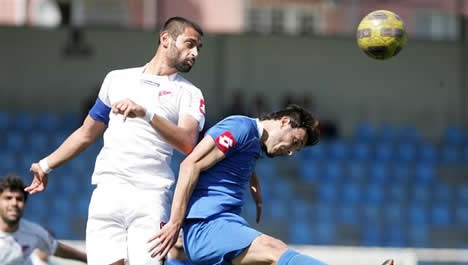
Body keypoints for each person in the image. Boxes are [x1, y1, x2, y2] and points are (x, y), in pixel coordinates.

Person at [26, 16, 206, 265]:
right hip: (108, 191)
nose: (195, 52)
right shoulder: (117, 79)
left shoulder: (190, 93)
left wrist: (146, 113)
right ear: (165, 39)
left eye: (198, 47)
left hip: (150, 196)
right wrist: (46, 164)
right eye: (190, 44)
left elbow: (188, 142)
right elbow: (87, 132)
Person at [149, 104, 393, 265]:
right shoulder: (240, 127)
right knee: (274, 249)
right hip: (206, 227)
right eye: (295, 142)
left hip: (224, 223)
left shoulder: (252, 142)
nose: (291, 152)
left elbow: (232, 159)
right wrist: (175, 223)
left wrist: (254, 184)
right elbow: (190, 165)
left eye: (297, 149)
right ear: (285, 121)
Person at [0, 175, 87, 265]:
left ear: (24, 204)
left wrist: (89, 258)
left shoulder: (33, 232)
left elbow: (57, 248)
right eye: (8, 198)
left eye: (19, 199)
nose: (14, 203)